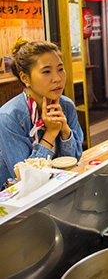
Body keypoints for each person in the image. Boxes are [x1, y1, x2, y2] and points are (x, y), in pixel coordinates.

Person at [0, 39, 84, 189]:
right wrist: (51, 133)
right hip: (16, 197)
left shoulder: (66, 106)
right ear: (25, 78)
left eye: (60, 69)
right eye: (46, 71)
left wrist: (65, 131)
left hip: (56, 187)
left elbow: (74, 158)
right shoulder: (9, 117)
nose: (57, 78)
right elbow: (24, 178)